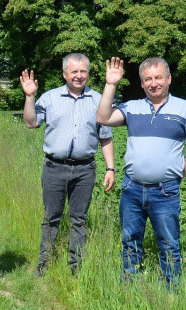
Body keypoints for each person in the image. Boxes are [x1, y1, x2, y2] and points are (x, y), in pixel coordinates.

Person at [97, 56, 186, 288]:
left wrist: (179, 173)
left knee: (168, 243)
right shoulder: (132, 108)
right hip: (131, 189)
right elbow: (102, 117)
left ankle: (170, 291)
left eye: (158, 78)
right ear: (142, 83)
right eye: (148, 79)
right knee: (130, 240)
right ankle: (129, 286)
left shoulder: (185, 109)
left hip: (165, 192)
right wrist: (111, 84)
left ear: (168, 79)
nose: (153, 83)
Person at [20, 53, 115, 276]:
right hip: (55, 167)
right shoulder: (50, 98)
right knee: (51, 217)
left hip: (85, 169)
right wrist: (29, 97)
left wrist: (110, 168)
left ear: (88, 74)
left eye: (83, 71)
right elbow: (31, 122)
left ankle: (76, 267)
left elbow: (106, 137)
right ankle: (44, 264)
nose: (79, 76)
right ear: (65, 74)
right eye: (74, 72)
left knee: (79, 220)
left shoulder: (99, 100)